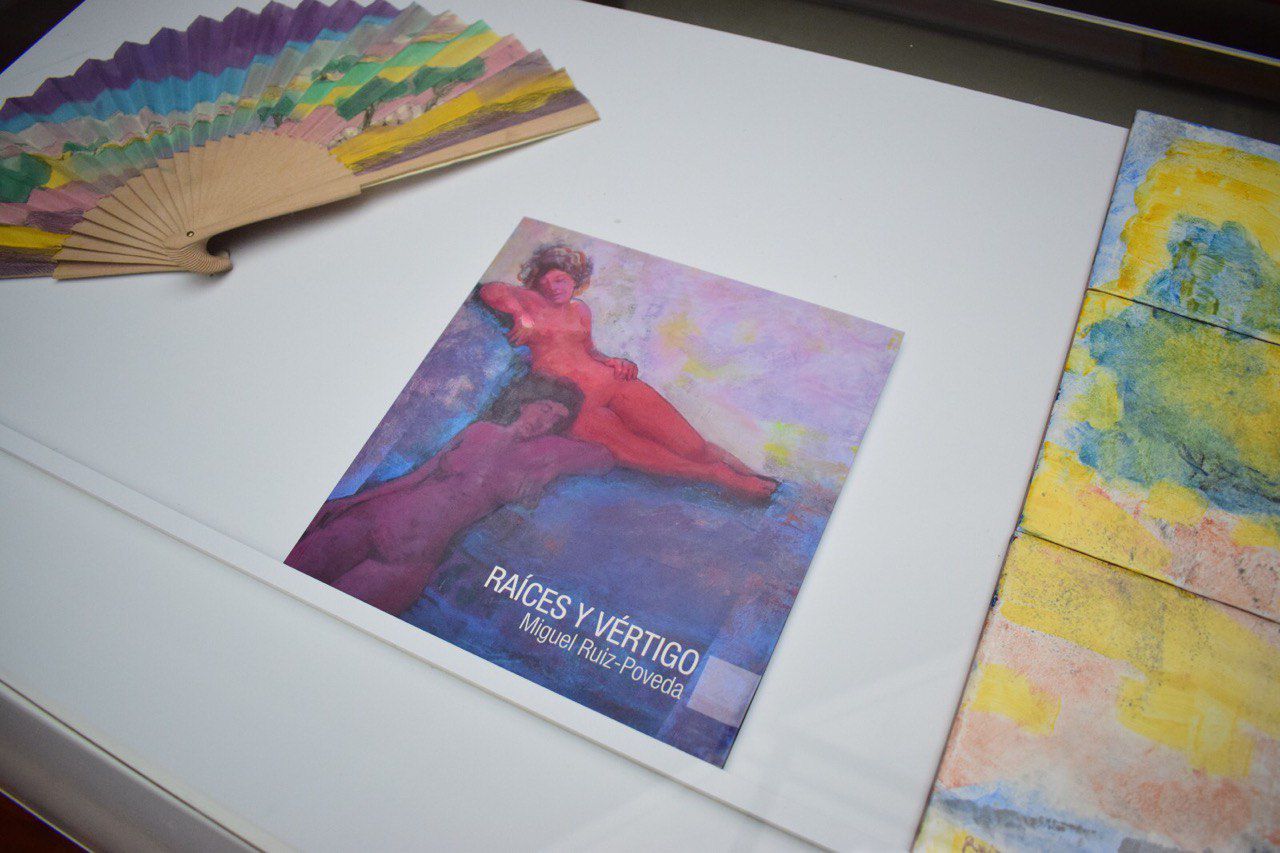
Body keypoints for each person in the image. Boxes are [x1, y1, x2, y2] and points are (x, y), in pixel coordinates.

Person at [479, 243, 777, 501]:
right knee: (632, 449)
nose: (554, 288)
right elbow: (489, 290)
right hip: (573, 401)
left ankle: (746, 471)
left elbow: (589, 350)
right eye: (547, 282)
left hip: (611, 382)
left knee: (691, 445)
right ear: (536, 283)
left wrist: (614, 361)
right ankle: (718, 476)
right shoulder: (527, 303)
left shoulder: (579, 309)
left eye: (562, 280)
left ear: (575, 281)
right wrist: (521, 315)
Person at [285, 399, 613, 615]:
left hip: (408, 559)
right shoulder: (479, 430)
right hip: (372, 520)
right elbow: (419, 476)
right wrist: (348, 502)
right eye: (545, 408)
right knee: (288, 584)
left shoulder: (535, 465)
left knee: (337, 620)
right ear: (525, 403)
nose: (546, 421)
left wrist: (552, 470)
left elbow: (605, 457)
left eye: (556, 419)